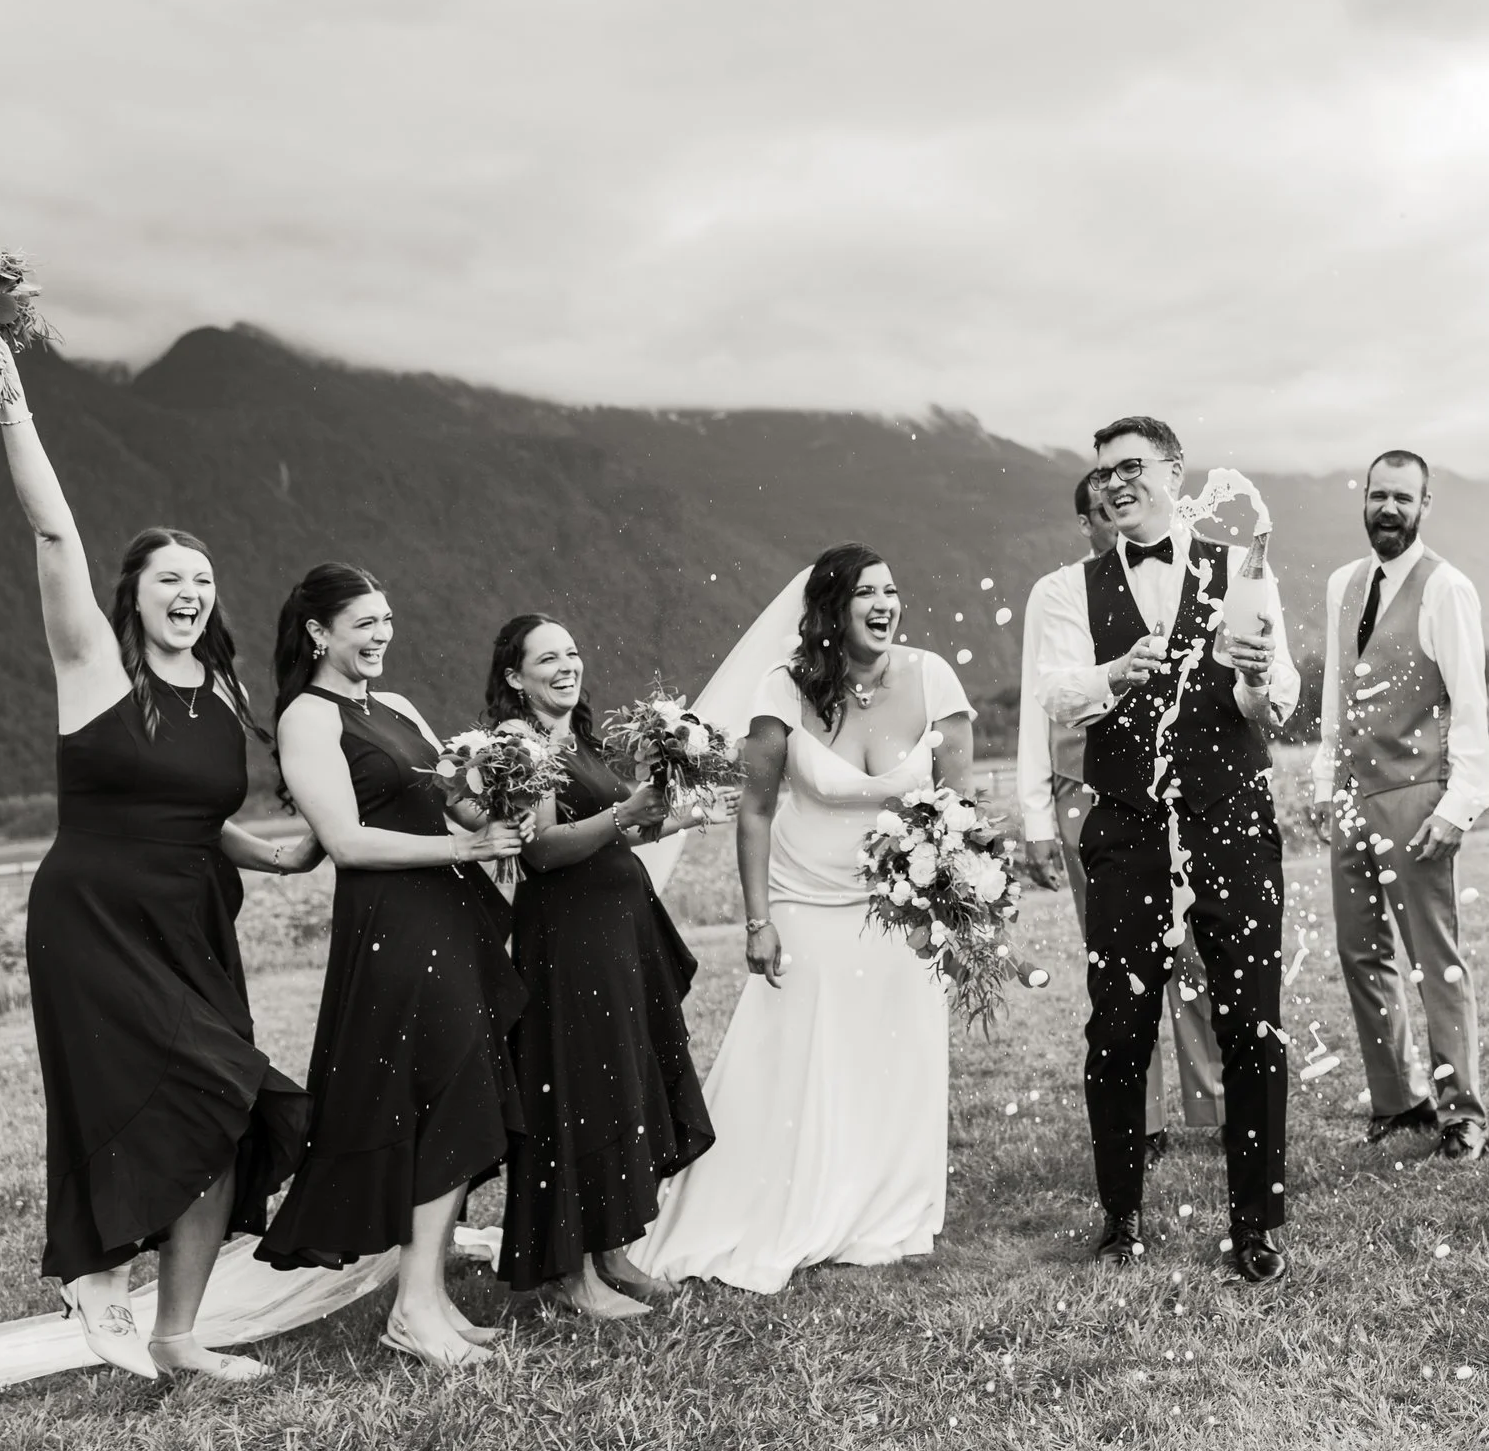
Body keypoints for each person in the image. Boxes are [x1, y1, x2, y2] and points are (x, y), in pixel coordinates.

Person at [0, 331, 318, 1384]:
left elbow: (199, 820)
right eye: (170, 577)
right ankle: (92, 1263)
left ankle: (178, 1332)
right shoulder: (94, 672)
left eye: (202, 579)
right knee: (174, 1088)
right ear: (134, 592)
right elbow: (55, 532)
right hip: (97, 922)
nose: (190, 591)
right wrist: (13, 397)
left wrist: (282, 854)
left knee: (224, 1109)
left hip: (193, 924)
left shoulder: (224, 695)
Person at [629, 544, 974, 1293]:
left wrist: (952, 900)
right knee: (800, 1055)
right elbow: (754, 810)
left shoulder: (932, 677)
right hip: (805, 899)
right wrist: (758, 920)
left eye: (891, 590)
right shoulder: (783, 689)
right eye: (865, 594)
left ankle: (883, 1202)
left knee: (894, 1047)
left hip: (900, 908)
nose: (885, 604)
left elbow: (960, 808)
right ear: (830, 609)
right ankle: (781, 1194)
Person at [1031, 416, 1299, 1282]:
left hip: (1232, 819)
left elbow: (1277, 703)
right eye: (1102, 472)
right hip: (1129, 831)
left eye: (1131, 467)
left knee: (1251, 1022)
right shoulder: (1064, 590)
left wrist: (1254, 675)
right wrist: (1114, 675)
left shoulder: (1244, 567)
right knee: (1118, 1027)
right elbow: (1056, 696)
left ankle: (1254, 1220)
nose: (1113, 484)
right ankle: (1120, 1216)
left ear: (1176, 473)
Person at [254, 564, 532, 1365]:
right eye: (364, 623)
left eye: (386, 620)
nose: (381, 635)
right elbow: (344, 841)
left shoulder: (400, 707)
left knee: (459, 1093)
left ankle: (430, 1294)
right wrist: (464, 845)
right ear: (319, 631)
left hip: (450, 914)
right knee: (439, 1092)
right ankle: (412, 1308)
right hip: (392, 925)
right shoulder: (307, 717)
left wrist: (511, 786)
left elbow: (456, 797)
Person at [483, 614, 716, 1320]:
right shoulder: (519, 743)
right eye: (546, 658)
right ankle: (571, 1272)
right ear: (514, 677)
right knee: (578, 1089)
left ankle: (614, 1252)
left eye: (573, 653)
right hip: (568, 941)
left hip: (616, 935)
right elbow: (544, 849)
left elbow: (620, 824)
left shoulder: (573, 741)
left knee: (618, 1084)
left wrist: (678, 815)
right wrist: (625, 817)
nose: (566, 665)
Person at [1019, 477, 1226, 1157]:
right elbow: (1034, 711)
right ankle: (1145, 1120)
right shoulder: (1062, 593)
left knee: (1195, 949)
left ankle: (1213, 1104)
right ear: (1087, 522)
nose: (1121, 520)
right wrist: (1038, 818)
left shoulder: (1189, 576)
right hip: (1091, 794)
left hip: (1177, 791)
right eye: (1105, 512)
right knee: (1120, 962)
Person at [1311, 450, 1489, 1160]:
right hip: (1353, 797)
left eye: (1403, 497)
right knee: (1359, 951)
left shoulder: (1447, 588)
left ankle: (1464, 1112)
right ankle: (1400, 1099)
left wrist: (1459, 806)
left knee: (1434, 957)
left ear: (1426, 505)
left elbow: (1471, 706)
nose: (1388, 508)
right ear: (1363, 499)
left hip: (1419, 795)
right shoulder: (1343, 584)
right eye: (1378, 495)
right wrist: (1325, 782)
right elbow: (1336, 688)